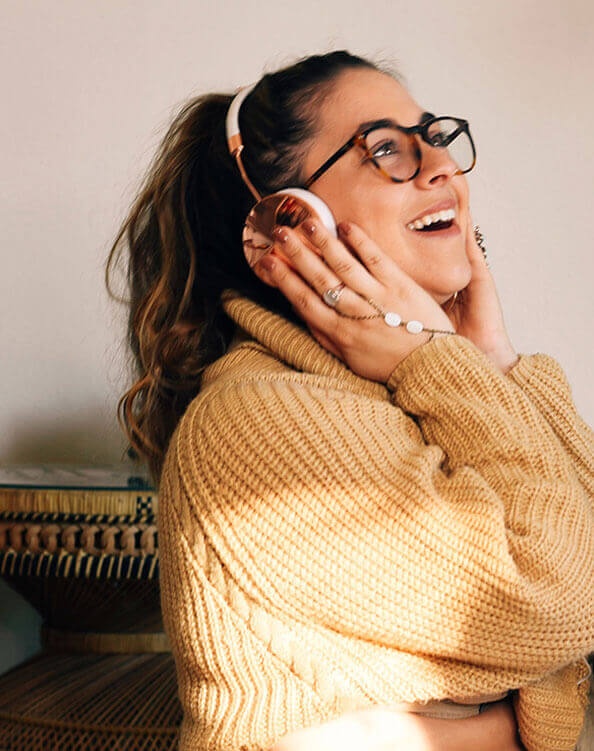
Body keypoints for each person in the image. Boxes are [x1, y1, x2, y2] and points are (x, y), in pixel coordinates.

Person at [108, 51, 594, 751]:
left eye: (435, 137)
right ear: (291, 221)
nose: (442, 166)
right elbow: (559, 598)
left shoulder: (416, 389)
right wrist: (517, 715)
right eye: (387, 148)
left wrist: (491, 362)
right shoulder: (253, 421)